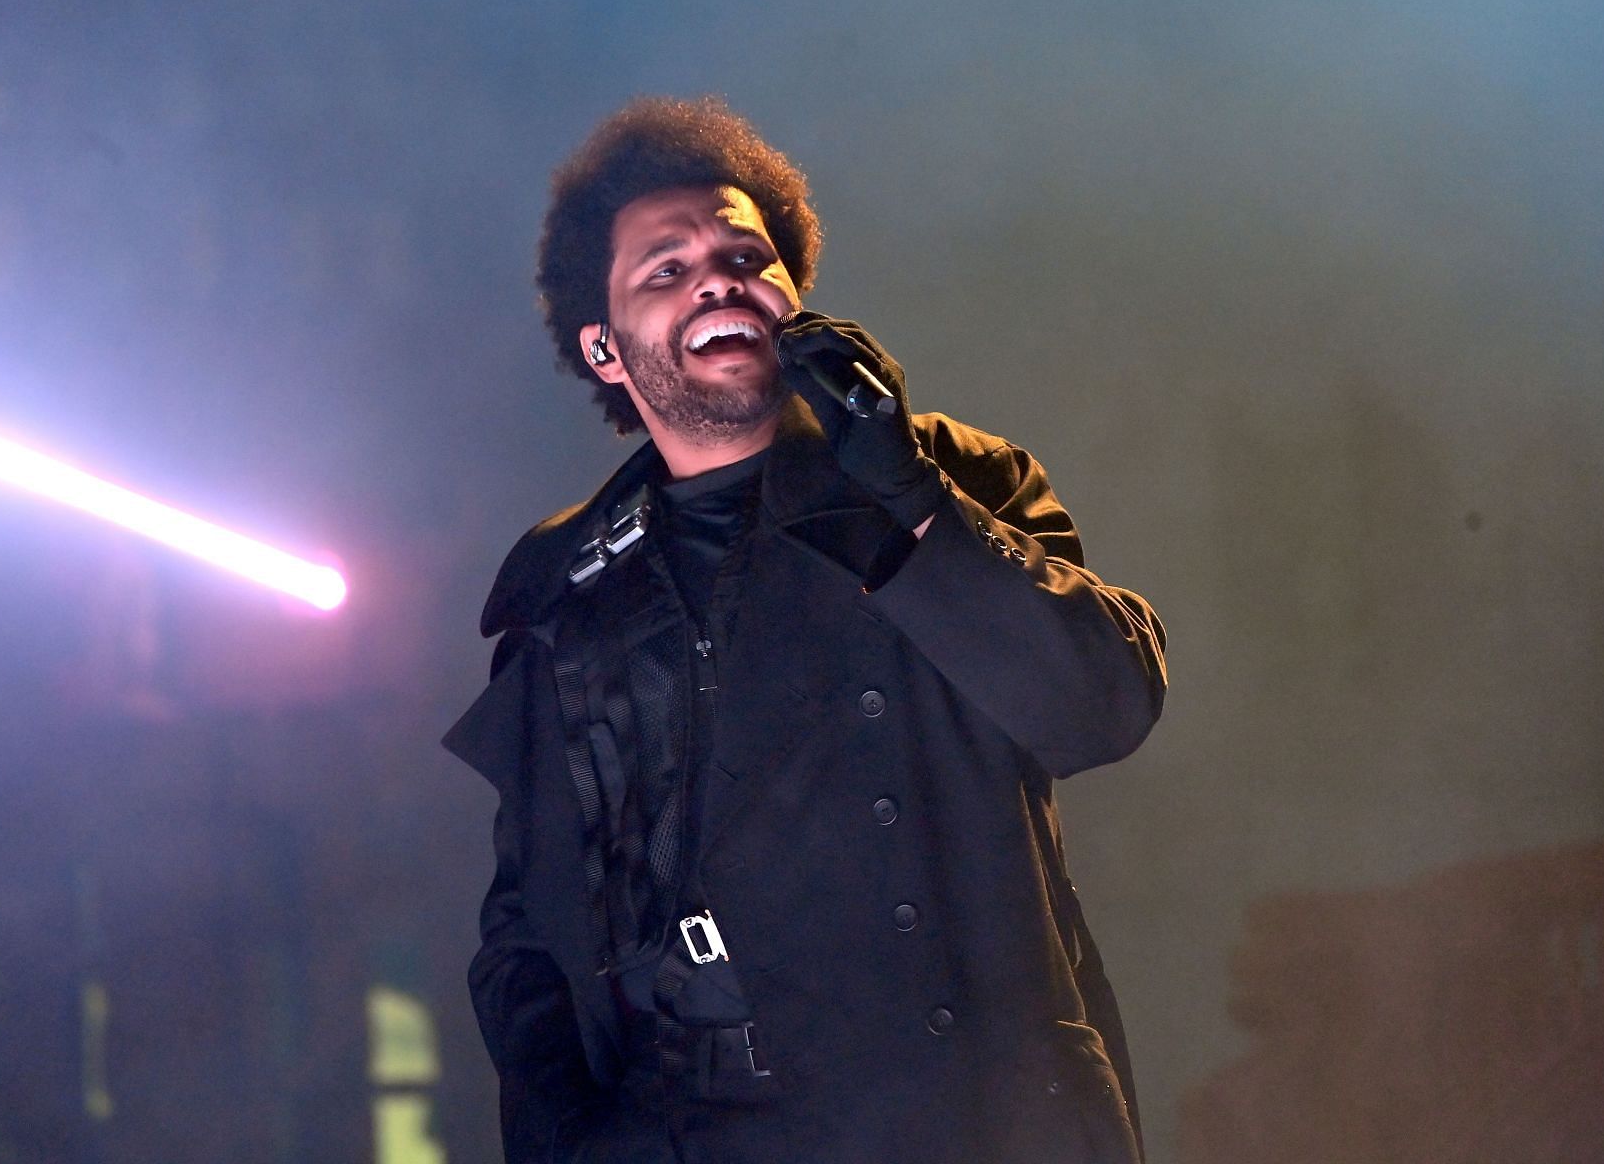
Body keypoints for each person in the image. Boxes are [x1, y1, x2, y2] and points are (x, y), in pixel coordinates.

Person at [443, 96, 1167, 1162]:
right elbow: (530, 938)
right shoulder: (566, 586)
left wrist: (909, 497)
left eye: (747, 253)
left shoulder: (948, 476)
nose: (718, 277)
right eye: (667, 268)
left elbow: (1102, 705)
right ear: (604, 347)